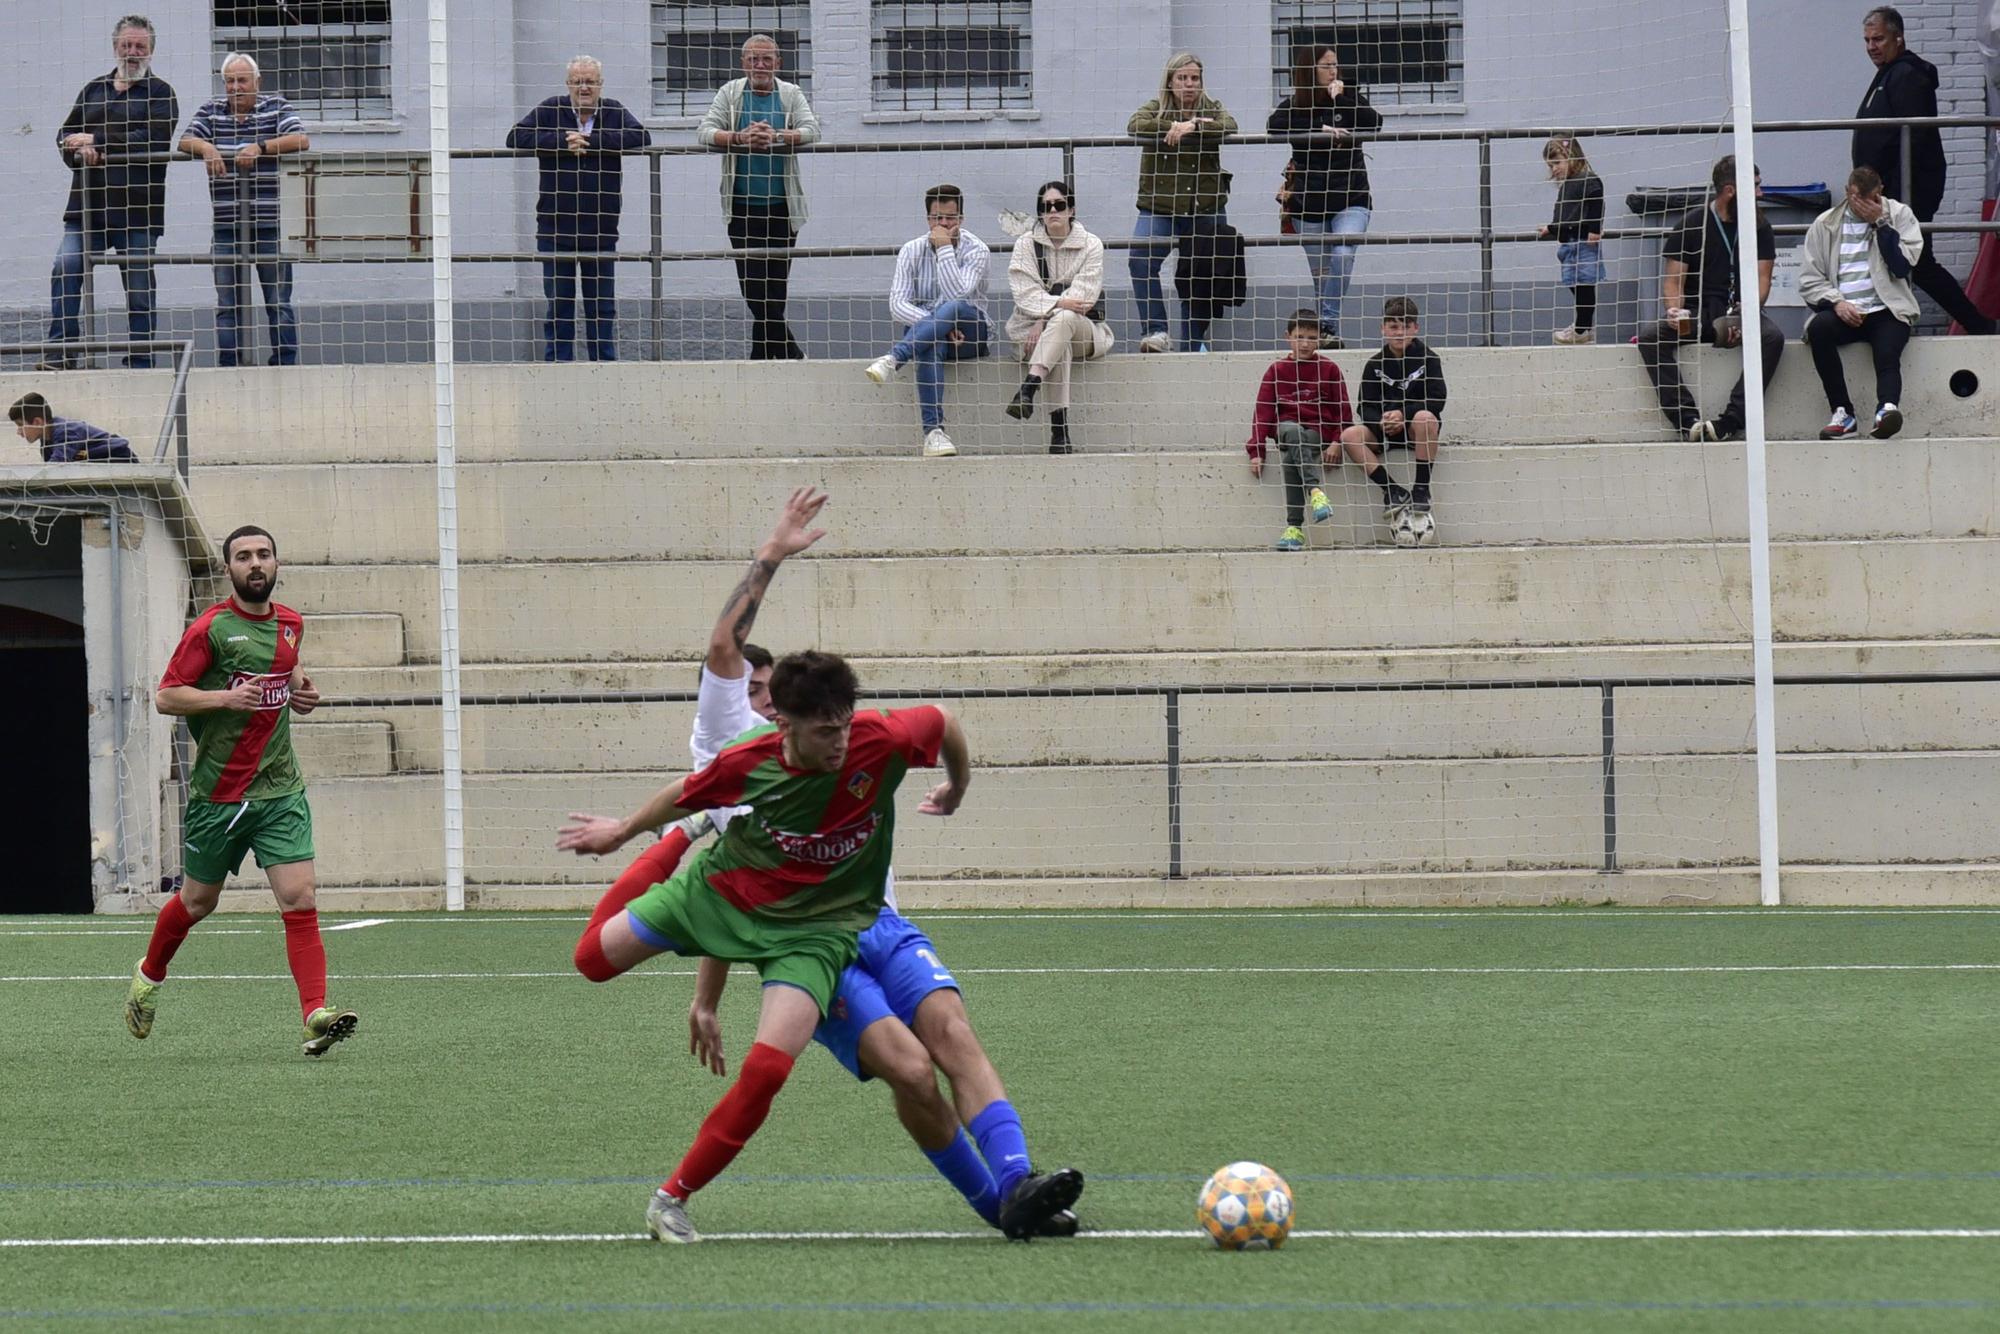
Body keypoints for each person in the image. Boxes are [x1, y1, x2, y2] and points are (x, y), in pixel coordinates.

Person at [569, 490, 1081, 1238]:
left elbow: (942, 724)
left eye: (754, 675)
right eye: (742, 679)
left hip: (865, 921)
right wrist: (771, 554)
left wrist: (959, 787)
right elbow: (707, 826)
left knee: (951, 1032)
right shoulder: (730, 742)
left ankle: (1016, 1185)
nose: (838, 739)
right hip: (771, 921)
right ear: (779, 715)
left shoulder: (864, 734)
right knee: (908, 1071)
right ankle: (996, 1203)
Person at [130, 525, 357, 1058]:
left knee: (300, 898)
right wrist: (222, 701)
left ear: (276, 563)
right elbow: (166, 697)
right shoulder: (211, 630)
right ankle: (149, 975)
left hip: (280, 791)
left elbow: (292, 672)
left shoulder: (292, 625)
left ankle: (314, 1016)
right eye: (244, 556)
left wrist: (305, 693)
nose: (255, 563)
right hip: (220, 796)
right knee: (197, 901)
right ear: (229, 568)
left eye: (264, 554)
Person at [1851, 5, 1997, 335]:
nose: (1872, 46)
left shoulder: (1907, 74)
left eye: (1879, 39)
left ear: (1898, 38)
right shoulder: (1889, 74)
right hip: (1892, 188)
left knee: (1916, 260)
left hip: (1906, 188)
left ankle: (1977, 325)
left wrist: (1890, 191)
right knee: (1909, 259)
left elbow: (1912, 135)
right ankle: (1974, 324)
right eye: (1867, 40)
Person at [44, 15, 178, 371]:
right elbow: (64, 136)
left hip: (137, 209)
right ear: (115, 46)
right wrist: (79, 151)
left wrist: (98, 141)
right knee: (65, 266)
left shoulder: (161, 93)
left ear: (151, 51)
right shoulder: (93, 89)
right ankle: (60, 355)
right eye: (126, 45)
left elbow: (154, 138)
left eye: (140, 47)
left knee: (138, 288)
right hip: (87, 207)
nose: (132, 52)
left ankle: (141, 359)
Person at [507, 57, 651, 363]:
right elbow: (515, 136)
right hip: (554, 227)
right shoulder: (550, 108)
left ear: (600, 85)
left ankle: (604, 368)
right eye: (577, 81)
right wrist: (562, 141)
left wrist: (591, 141)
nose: (584, 87)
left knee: (602, 307)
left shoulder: (613, 109)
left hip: (601, 227)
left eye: (591, 81)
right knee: (559, 304)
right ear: (568, 84)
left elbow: (641, 136)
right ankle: (559, 368)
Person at [1636, 155, 1783, 442]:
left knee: (1773, 338)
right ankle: (1686, 420)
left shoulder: (1759, 226)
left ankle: (1731, 420)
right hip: (1697, 313)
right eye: (1754, 186)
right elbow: (1673, 281)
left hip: (1740, 312)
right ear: (1731, 190)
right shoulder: (1692, 223)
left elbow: (1762, 279)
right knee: (1651, 337)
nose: (1760, 193)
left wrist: (1749, 309)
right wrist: (1674, 311)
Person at [179, 54, 309, 368]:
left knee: (278, 302)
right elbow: (185, 141)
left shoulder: (275, 106)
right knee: (227, 304)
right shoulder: (211, 111)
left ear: (257, 82)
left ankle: (285, 366)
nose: (235, 87)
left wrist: (260, 147)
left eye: (242, 80)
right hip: (226, 225)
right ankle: (230, 367)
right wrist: (207, 148)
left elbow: (301, 139)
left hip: (270, 224)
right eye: (230, 81)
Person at [697, 34, 820, 360]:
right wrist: (739, 137)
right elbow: (705, 131)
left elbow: (812, 130)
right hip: (741, 209)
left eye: (767, 59)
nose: (760, 65)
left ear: (778, 63)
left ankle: (763, 362)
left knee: (775, 292)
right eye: (753, 59)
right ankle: (790, 355)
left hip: (783, 209)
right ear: (743, 64)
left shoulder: (790, 94)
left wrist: (777, 136)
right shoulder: (730, 93)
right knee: (754, 291)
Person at [864, 184, 993, 459]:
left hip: (970, 332)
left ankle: (895, 357)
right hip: (934, 336)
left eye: (951, 217)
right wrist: (940, 326)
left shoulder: (977, 250)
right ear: (928, 219)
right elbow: (897, 305)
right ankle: (934, 434)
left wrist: (945, 248)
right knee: (931, 341)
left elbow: (959, 294)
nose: (944, 224)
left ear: (962, 218)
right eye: (937, 218)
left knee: (955, 307)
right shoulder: (911, 250)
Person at [1266, 44, 1380, 347]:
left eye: (1335, 65)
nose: (1333, 71)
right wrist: (1319, 127)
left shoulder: (1349, 97)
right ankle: (1327, 339)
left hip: (1351, 198)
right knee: (1322, 277)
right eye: (1326, 65)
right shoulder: (1296, 104)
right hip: (1309, 205)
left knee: (1342, 255)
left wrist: (1341, 98)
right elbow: (1273, 127)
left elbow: (1375, 122)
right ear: (1310, 71)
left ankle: (1326, 325)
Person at [1799, 166, 1924, 440]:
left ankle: (1887, 410)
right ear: (1847, 192)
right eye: (1855, 197)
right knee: (1819, 330)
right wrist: (1837, 303)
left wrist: (1880, 224)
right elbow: (1809, 280)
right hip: (1844, 310)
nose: (1860, 205)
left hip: (1887, 308)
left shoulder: (1900, 216)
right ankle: (1843, 414)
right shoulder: (1825, 224)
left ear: (1879, 193)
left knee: (1887, 351)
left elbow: (1902, 267)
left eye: (1868, 199)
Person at [1127, 53, 1237, 353]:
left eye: (1194, 78)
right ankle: (1156, 332)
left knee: (1202, 271)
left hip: (1205, 207)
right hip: (1160, 206)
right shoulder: (1155, 108)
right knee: (1140, 259)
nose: (1189, 84)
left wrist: (1195, 127)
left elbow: (1230, 124)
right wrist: (1173, 125)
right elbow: (1135, 125)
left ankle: (1194, 341)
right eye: (1182, 78)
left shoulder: (1211, 109)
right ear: (1170, 81)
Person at [1004, 181, 1115, 455]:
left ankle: (1029, 387)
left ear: (1071, 209)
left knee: (1065, 319)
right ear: (1040, 213)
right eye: (1046, 206)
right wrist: (1057, 306)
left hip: (1082, 332)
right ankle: (1059, 434)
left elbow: (1083, 298)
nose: (1052, 210)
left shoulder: (1091, 245)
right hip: (1030, 334)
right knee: (1060, 337)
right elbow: (1024, 293)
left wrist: (1044, 318)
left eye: (1059, 205)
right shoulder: (1025, 245)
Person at [1341, 296, 1448, 534]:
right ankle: (1392, 490)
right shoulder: (1374, 365)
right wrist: (1381, 423)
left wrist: (1403, 415)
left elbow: (1437, 398)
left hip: (1415, 431)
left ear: (1416, 328)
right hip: (1385, 432)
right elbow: (1364, 406)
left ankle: (1421, 489)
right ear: (1383, 329)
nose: (1400, 332)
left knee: (1425, 418)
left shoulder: (1429, 359)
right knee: (1349, 435)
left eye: (1406, 326)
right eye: (1393, 327)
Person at [1246, 310, 1351, 551]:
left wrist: (1337, 442)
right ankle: (1315, 491)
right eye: (1299, 336)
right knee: (1292, 432)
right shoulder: (1276, 370)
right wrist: (1257, 450)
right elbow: (1262, 413)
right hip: (1286, 429)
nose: (1305, 343)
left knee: (1290, 455)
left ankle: (1294, 528)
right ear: (1288, 337)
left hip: (1317, 431)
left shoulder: (1330, 369)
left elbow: (1343, 411)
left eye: (1312, 337)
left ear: (1320, 339)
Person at [1537, 136, 1605, 345]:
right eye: (1551, 166)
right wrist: (1553, 229)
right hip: (1569, 241)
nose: (1554, 170)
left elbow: (1596, 201)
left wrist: (1594, 229)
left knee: (1584, 283)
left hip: (1582, 241)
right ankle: (1582, 326)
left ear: (1572, 157)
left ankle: (1583, 328)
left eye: (1557, 163)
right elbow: (1567, 214)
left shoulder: (1587, 180)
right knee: (1574, 283)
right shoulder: (1569, 184)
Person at [9, 392, 136, 462]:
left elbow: (57, 466)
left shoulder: (65, 431)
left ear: (37, 422)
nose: (18, 432)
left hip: (119, 457)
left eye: (20, 425)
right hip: (96, 461)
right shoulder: (46, 442)